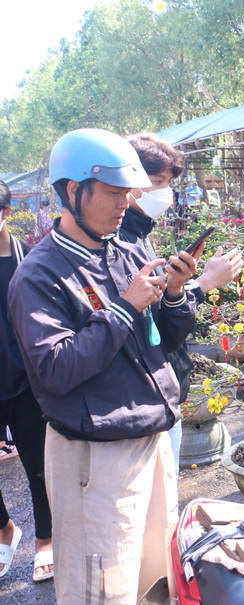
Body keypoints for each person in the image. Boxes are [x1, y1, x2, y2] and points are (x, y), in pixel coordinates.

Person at [8, 129, 199, 604]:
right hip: (94, 458)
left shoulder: (126, 250)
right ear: (74, 191)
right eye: (114, 192)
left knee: (156, 578)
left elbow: (159, 341)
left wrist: (175, 295)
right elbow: (55, 369)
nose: (125, 203)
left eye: (128, 192)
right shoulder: (39, 274)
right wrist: (124, 308)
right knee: (101, 590)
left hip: (152, 440)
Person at [120, 133, 243, 473]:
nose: (166, 192)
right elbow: (148, 328)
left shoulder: (139, 233)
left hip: (163, 391)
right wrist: (203, 284)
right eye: (157, 181)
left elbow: (159, 312)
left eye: (168, 183)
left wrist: (179, 284)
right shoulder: (120, 242)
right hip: (142, 398)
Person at [0, 179, 54, 583]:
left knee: (39, 468)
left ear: (4, 213)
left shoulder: (29, 262)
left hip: (25, 383)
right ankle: (5, 528)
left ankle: (45, 542)